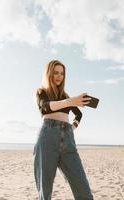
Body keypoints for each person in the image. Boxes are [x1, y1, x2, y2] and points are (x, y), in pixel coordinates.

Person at [33, 60, 94, 200]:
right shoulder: (41, 92)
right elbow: (45, 107)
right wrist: (70, 101)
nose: (59, 76)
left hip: (68, 139)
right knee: (45, 191)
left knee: (83, 190)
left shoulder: (65, 96)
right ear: (49, 73)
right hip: (48, 138)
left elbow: (79, 114)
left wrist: (73, 127)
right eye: (56, 72)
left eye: (62, 73)